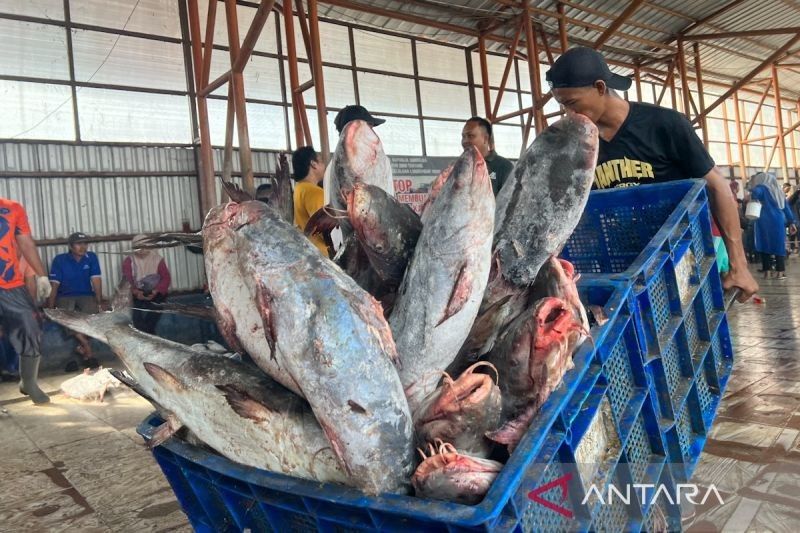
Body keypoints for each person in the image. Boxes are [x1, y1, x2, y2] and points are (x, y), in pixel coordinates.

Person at [546, 46, 759, 302]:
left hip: (679, 260)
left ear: (600, 87)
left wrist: (739, 266)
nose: (569, 114)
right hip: (620, 269)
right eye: (563, 106)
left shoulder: (665, 125)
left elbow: (717, 187)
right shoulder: (576, 145)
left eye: (572, 103)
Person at [0, 197, 53, 403]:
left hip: (11, 285)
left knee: (31, 327)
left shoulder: (12, 208)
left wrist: (41, 275)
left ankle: (28, 381)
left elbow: (26, 243)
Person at [48, 232, 104, 369]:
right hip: (64, 296)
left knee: (94, 318)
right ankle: (87, 350)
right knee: (68, 319)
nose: (83, 247)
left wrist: (99, 301)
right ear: (71, 246)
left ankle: (82, 347)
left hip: (86, 294)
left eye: (85, 244)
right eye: (79, 244)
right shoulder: (60, 260)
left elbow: (96, 280)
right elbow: (54, 285)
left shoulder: (91, 258)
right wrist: (50, 307)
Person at [747, 172, 797, 280]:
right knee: (779, 245)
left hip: (764, 220)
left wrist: (752, 184)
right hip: (778, 220)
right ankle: (780, 272)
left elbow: (755, 193)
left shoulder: (761, 188)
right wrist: (792, 222)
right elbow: (786, 208)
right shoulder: (778, 192)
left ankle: (767, 272)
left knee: (764, 245)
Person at [122, 235, 171, 334]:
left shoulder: (158, 259)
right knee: (133, 310)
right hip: (137, 292)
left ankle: (146, 333)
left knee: (158, 305)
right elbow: (127, 280)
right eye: (138, 247)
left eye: (144, 246)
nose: (141, 249)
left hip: (154, 290)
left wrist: (155, 291)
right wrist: (135, 292)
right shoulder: (129, 261)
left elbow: (166, 278)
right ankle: (148, 333)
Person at [461, 117, 514, 196]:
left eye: (470, 136)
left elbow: (510, 201)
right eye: (463, 136)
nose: (465, 141)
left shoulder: (504, 166)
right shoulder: (461, 167)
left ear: (485, 138)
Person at [292, 146, 330, 258]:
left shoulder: (299, 188)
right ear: (313, 164)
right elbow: (326, 229)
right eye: (321, 162)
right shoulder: (314, 192)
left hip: (309, 252)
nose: (324, 166)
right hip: (323, 255)